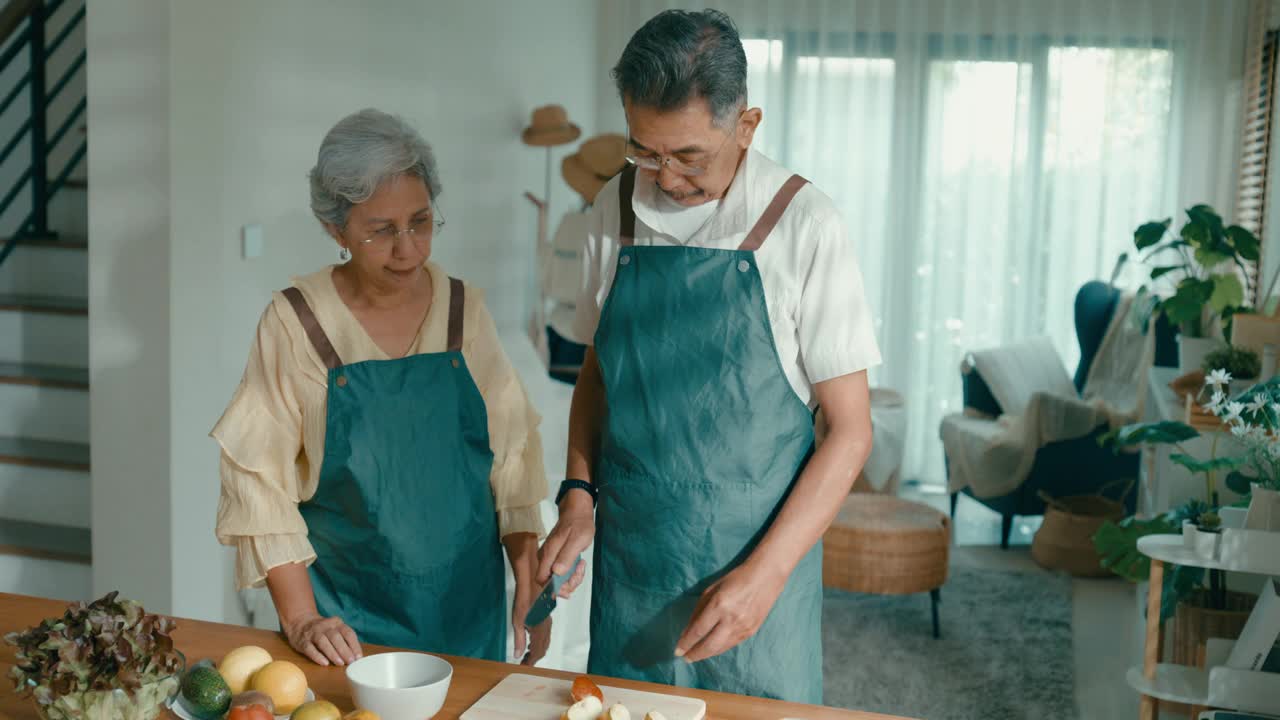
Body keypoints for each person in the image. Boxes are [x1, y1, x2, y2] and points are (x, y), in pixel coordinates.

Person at [537, 9, 880, 703]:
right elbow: (601, 371)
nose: (664, 177)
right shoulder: (614, 207)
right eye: (645, 150)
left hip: (757, 570)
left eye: (688, 155)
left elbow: (850, 429)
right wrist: (577, 494)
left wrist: (766, 577)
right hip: (634, 570)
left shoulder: (805, 224)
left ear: (746, 126)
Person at [213, 108, 551, 667]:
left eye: (420, 221)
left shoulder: (463, 312)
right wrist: (301, 619)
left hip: (466, 614)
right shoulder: (297, 323)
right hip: (343, 627)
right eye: (381, 231)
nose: (409, 249)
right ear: (334, 229)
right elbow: (259, 486)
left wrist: (528, 581)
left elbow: (513, 460)